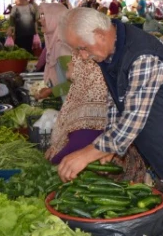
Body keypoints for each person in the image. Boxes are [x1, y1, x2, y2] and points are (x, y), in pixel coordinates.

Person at [57, 7, 163, 233]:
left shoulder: (143, 56)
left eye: (82, 49)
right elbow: (117, 100)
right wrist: (108, 143)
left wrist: (89, 152)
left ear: (99, 34)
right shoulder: (111, 49)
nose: (82, 56)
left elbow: (132, 119)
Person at [45, 53, 145, 186]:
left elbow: (80, 143)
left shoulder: (92, 103)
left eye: (74, 62)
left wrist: (52, 159)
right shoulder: (82, 96)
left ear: (86, 71)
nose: (68, 64)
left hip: (112, 186)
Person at [38, 3, 70, 90]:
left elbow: (73, 85)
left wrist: (51, 92)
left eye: (44, 16)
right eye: (41, 16)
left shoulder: (63, 47)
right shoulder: (52, 44)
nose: (40, 20)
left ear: (55, 19)